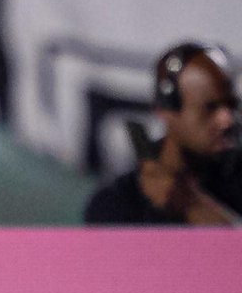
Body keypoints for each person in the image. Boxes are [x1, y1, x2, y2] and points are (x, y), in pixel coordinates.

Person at [85, 43, 242, 225]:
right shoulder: (116, 202)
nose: (227, 120)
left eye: (231, 106)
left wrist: (192, 207)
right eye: (210, 108)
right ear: (166, 111)